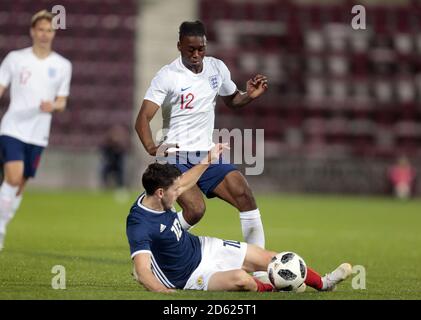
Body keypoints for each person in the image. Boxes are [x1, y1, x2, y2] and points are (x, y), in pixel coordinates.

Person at [135, 20, 268, 278]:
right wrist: (152, 146)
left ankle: (259, 266)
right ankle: (155, 251)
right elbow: (142, 118)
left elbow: (232, 100)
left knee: (244, 194)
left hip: (207, 154)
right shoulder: (168, 75)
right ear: (179, 47)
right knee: (195, 210)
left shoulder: (217, 68)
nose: (196, 55)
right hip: (175, 156)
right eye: (190, 50)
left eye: (201, 49)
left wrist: (248, 95)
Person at [126, 144, 352, 292]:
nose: (180, 193)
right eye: (175, 191)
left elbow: (184, 181)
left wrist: (208, 159)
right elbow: (142, 271)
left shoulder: (161, 193)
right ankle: (276, 288)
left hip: (204, 247)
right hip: (189, 276)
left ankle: (324, 284)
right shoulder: (140, 224)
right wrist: (163, 291)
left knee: (273, 259)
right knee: (241, 279)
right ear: (160, 193)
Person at [0, 10, 72, 250]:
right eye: (40, 29)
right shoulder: (15, 59)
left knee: (20, 184)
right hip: (12, 127)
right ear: (33, 31)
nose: (44, 34)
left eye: (49, 30)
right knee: (12, 176)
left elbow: (62, 101)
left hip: (39, 132)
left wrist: (53, 105)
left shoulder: (63, 66)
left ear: (54, 33)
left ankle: (3, 221)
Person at [100, 124, 130, 189]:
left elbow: (123, 154)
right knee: (103, 170)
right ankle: (105, 186)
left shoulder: (121, 146)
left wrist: (118, 146)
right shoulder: (108, 144)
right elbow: (103, 152)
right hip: (109, 164)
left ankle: (121, 187)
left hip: (118, 165)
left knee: (121, 171)